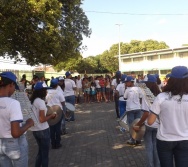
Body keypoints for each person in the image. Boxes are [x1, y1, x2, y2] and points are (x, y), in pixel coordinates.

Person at [147, 66, 188, 167]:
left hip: (164, 139)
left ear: (171, 80)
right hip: (185, 139)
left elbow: (150, 122)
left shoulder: (161, 97)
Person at [0, 71, 34, 167]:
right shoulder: (13, 103)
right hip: (14, 144)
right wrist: (28, 123)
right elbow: (15, 133)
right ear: (11, 84)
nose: (14, 90)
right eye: (14, 87)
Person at [133, 74, 161, 167]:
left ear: (148, 84)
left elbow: (146, 113)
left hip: (149, 126)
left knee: (149, 147)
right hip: (158, 125)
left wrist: (139, 124)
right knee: (156, 148)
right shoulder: (160, 95)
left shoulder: (146, 97)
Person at [30, 82, 56, 166]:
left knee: (40, 152)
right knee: (45, 154)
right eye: (45, 90)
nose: (46, 92)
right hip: (43, 130)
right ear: (41, 91)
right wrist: (51, 116)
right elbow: (42, 119)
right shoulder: (40, 102)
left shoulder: (33, 101)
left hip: (35, 130)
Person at [46, 79, 66, 149]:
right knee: (57, 128)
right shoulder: (58, 92)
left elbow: (45, 102)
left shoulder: (47, 92)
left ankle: (53, 143)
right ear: (57, 85)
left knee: (51, 128)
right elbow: (63, 102)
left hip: (49, 111)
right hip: (58, 111)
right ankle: (57, 143)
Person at [124, 76, 143, 145]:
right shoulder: (138, 89)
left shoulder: (127, 90)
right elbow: (141, 98)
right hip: (138, 108)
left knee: (131, 125)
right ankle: (138, 140)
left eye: (127, 82)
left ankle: (132, 139)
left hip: (130, 109)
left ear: (131, 82)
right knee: (138, 124)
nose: (126, 83)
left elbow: (125, 97)